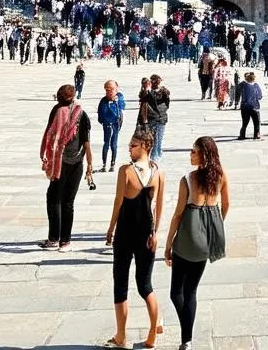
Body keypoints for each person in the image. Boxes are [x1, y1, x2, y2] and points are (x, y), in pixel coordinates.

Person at [165, 136, 230, 350]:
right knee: (191, 291)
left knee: (176, 293)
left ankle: (186, 337)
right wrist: (215, 223)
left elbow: (177, 214)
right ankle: (187, 341)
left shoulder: (188, 179)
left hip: (187, 239)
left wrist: (167, 245)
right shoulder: (220, 176)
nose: (190, 154)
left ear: (203, 154)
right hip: (207, 239)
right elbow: (226, 205)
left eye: (193, 151)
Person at [103, 129, 165, 350]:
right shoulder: (158, 172)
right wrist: (155, 233)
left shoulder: (126, 171)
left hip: (125, 235)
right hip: (146, 236)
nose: (129, 149)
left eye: (133, 146)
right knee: (145, 285)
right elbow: (158, 207)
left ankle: (121, 337)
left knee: (121, 285)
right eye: (130, 145)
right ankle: (152, 332)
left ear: (145, 146)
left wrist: (110, 229)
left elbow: (118, 202)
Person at [39, 83, 94, 251]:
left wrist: (45, 156)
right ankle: (65, 242)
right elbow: (86, 142)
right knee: (68, 202)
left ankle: (54, 239)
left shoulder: (56, 111)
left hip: (59, 162)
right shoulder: (81, 114)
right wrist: (90, 164)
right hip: (77, 163)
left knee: (54, 198)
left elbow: (49, 135)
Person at [98, 79, 127, 171]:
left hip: (115, 124)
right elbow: (100, 113)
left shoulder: (119, 98)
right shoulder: (103, 101)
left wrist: (116, 101)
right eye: (107, 90)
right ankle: (104, 164)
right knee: (106, 143)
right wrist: (103, 121)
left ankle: (112, 163)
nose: (109, 92)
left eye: (111, 89)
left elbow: (122, 106)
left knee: (113, 144)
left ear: (116, 89)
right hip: (107, 124)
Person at [142, 76, 170, 162]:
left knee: (156, 139)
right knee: (157, 139)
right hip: (158, 118)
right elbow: (167, 103)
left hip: (157, 118)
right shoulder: (162, 92)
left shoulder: (149, 93)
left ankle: (155, 157)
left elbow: (144, 104)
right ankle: (155, 157)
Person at [238, 71, 263, 139]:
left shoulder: (243, 85)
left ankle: (242, 135)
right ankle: (256, 134)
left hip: (244, 106)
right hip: (255, 106)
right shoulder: (256, 85)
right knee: (256, 122)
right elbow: (260, 96)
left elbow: (238, 89)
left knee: (245, 122)